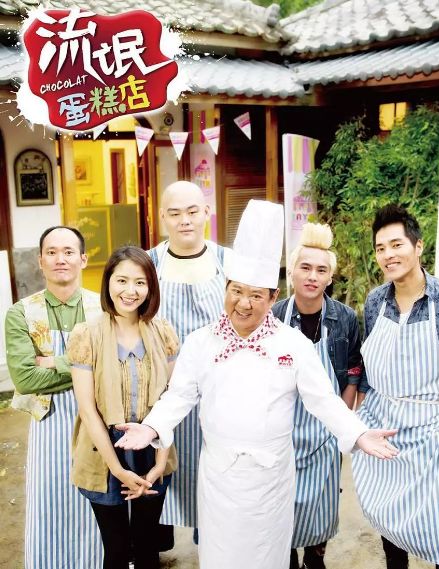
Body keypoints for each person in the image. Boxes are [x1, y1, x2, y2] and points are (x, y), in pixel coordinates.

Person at [115, 200, 398, 569]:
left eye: (256, 295)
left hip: (271, 477)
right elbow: (180, 395)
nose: (244, 303)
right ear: (226, 288)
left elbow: (324, 400)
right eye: (236, 291)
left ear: (273, 297)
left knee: (267, 555)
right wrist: (152, 426)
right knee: (221, 556)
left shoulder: (292, 344)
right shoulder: (201, 342)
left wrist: (358, 433)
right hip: (219, 475)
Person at [352, 204, 439, 569]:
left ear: (418, 246)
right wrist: (361, 418)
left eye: (396, 244)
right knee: (388, 520)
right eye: (380, 248)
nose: (388, 255)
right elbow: (369, 366)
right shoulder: (375, 301)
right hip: (382, 428)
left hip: (429, 433)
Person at [67, 246, 179, 569]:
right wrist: (117, 470)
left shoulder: (163, 332)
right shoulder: (86, 335)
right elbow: (88, 410)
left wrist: (159, 466)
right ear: (108, 282)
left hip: (153, 449)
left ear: (150, 287)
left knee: (147, 547)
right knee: (115, 551)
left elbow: (171, 401)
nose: (131, 291)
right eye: (122, 281)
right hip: (103, 454)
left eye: (140, 282)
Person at [5, 226, 103, 569]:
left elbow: (110, 367)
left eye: (68, 251)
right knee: (48, 503)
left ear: (83, 259)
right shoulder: (21, 312)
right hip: (47, 424)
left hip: (96, 419)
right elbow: (25, 378)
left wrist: (55, 363)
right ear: (40, 261)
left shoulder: (102, 308)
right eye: (52, 252)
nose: (60, 259)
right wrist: (84, 366)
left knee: (94, 503)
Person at [273, 222, 362, 569]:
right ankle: (287, 558)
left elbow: (352, 371)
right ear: (292, 272)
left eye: (321, 270)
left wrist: (341, 422)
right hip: (281, 429)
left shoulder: (344, 318)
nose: (312, 276)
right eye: (305, 267)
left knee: (320, 506)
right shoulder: (274, 316)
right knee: (282, 503)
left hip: (326, 431)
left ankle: (315, 556)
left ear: (330, 277)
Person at [147, 180, 231, 544]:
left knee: (214, 472)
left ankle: (208, 542)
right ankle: (151, 545)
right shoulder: (147, 263)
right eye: (175, 213)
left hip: (218, 388)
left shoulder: (227, 260)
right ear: (162, 217)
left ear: (206, 213)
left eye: (193, 211)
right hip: (160, 388)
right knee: (158, 465)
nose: (185, 220)